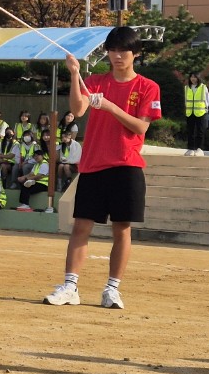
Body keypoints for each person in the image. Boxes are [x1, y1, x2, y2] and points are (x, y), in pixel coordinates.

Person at [45, 27, 161, 309]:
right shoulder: (95, 80)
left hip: (126, 165)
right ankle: (70, 286)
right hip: (94, 165)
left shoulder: (147, 87)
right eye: (113, 51)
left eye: (124, 51)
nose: (118, 56)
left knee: (122, 228)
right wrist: (74, 74)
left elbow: (141, 127)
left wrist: (110, 106)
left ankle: (112, 289)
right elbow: (79, 108)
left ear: (136, 53)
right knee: (81, 226)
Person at [184, 71, 209, 155]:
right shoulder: (187, 88)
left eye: (195, 77)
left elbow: (207, 99)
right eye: (191, 77)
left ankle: (199, 149)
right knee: (190, 131)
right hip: (189, 112)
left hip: (201, 112)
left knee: (200, 131)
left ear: (198, 78)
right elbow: (185, 100)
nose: (193, 79)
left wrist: (206, 109)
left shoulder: (203, 87)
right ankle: (190, 149)